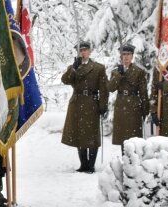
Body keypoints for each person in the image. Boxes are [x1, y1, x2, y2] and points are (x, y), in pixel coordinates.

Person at [61, 41, 108, 173]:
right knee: (80, 133)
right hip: (77, 103)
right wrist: (73, 69)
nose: (83, 53)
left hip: (92, 103)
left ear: (90, 51)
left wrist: (103, 105)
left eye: (85, 50)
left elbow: (103, 89)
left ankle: (91, 165)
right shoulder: (74, 67)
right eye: (81, 51)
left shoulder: (99, 68)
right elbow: (65, 80)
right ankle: (83, 164)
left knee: (92, 134)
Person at [108, 44, 149, 148]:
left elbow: (143, 92)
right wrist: (119, 75)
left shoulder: (139, 72)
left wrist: (145, 109)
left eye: (128, 54)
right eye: (123, 54)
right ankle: (124, 160)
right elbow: (110, 88)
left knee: (134, 138)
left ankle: (134, 162)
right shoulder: (115, 71)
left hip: (133, 106)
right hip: (121, 105)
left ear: (132, 56)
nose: (125, 57)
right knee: (122, 138)